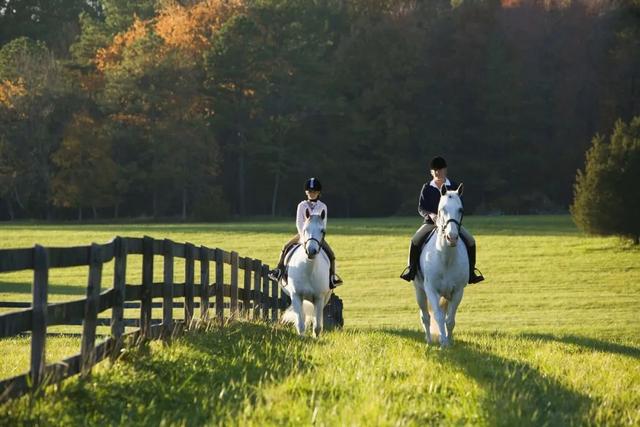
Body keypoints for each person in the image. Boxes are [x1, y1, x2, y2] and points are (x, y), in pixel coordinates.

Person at [400, 156, 484, 284]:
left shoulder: (454, 186)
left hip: (451, 224)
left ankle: (471, 272)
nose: (438, 173)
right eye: (435, 171)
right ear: (431, 172)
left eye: (440, 170)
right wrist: (431, 216)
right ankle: (411, 270)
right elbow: (421, 207)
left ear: (445, 170)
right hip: (431, 223)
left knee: (471, 241)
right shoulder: (427, 187)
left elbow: (459, 206)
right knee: (415, 240)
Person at [268, 177, 343, 288]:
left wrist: (319, 236)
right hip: (302, 234)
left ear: (318, 192)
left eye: (314, 192)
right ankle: (279, 271)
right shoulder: (301, 205)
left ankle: (332, 278)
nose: (312, 194)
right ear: (306, 192)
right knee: (285, 247)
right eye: (310, 191)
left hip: (317, 236)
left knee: (331, 254)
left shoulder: (323, 206)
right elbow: (299, 223)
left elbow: (323, 223)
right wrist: (303, 237)